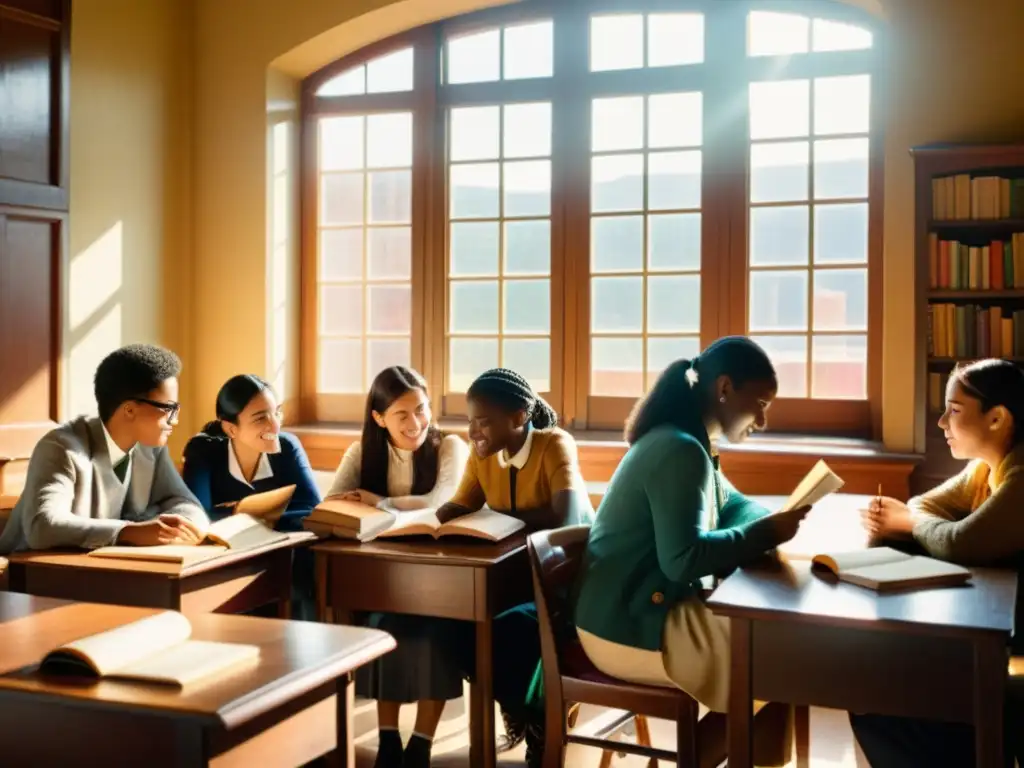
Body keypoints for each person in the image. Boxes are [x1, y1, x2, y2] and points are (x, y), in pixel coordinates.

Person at [573, 337, 811, 768]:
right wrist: (763, 535)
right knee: (777, 661)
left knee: (779, 654)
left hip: (641, 608)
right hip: (626, 625)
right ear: (723, 389)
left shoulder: (691, 443)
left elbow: (733, 504)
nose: (762, 419)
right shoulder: (680, 449)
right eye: (759, 403)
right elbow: (681, 559)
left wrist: (772, 520)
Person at [853, 358, 1024, 768]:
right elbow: (924, 504)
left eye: (955, 410)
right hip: (996, 627)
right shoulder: (986, 467)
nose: (942, 422)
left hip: (1007, 642)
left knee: (875, 697)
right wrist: (914, 520)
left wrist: (910, 524)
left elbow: (963, 541)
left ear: (998, 418)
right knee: (876, 688)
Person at [435, 367, 593, 768]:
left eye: (483, 422)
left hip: (569, 578)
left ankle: (539, 719)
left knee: (515, 628)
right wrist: (432, 518)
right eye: (470, 421)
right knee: (455, 625)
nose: (473, 433)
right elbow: (459, 505)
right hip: (516, 573)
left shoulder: (555, 444)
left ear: (520, 416)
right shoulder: (483, 455)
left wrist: (507, 519)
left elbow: (567, 516)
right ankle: (519, 704)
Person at [327, 366, 470, 768]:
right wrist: (366, 503)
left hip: (443, 578)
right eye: (402, 414)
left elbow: (442, 501)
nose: (416, 423)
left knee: (438, 635)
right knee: (383, 628)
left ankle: (421, 744)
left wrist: (377, 502)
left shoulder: (449, 447)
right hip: (384, 579)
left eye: (422, 410)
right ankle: (388, 740)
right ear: (378, 417)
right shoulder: (361, 452)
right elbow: (335, 501)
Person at [0, 344, 208, 554]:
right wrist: (131, 531)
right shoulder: (61, 447)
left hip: (101, 569)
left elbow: (184, 501)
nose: (176, 420)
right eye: (168, 409)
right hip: (29, 573)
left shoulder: (151, 448)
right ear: (129, 410)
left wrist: (180, 525)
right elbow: (43, 527)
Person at [181, 374, 322, 619]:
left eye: (276, 412)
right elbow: (199, 516)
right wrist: (268, 516)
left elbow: (311, 510)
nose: (274, 425)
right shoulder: (203, 451)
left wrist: (238, 513)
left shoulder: (287, 446)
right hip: (226, 561)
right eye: (260, 418)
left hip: (280, 556)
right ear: (230, 428)